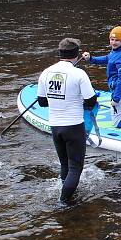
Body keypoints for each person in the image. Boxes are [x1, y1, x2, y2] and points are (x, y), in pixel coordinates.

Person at [37, 38, 98, 203]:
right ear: (76, 53)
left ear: (60, 53)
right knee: (75, 168)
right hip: (73, 126)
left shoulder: (46, 72)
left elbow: (42, 102)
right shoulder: (79, 73)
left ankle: (64, 191)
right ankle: (63, 202)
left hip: (55, 127)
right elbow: (91, 101)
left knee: (65, 165)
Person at [82, 26, 121, 128]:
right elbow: (108, 58)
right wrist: (91, 58)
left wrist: (116, 98)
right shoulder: (120, 50)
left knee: (118, 123)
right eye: (112, 39)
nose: (113, 42)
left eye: (117, 40)